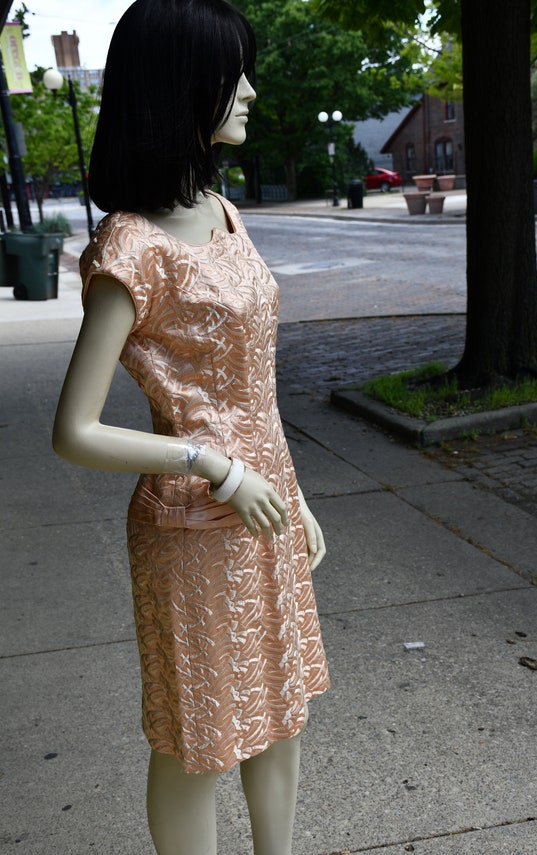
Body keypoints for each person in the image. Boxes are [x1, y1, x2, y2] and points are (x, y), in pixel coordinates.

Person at [52, 1, 329, 853]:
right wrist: (213, 464)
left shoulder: (222, 210)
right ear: (181, 88)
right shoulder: (131, 247)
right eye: (230, 74)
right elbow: (76, 429)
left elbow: (252, 382)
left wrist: (292, 489)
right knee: (200, 739)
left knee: (279, 716)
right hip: (194, 527)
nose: (248, 90)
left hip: (266, 511)